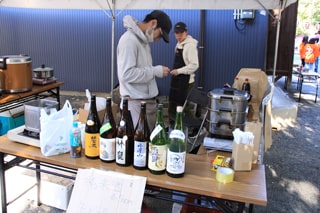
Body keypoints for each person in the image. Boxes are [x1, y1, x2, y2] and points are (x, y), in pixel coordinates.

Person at [117, 10, 172, 130]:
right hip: (134, 105)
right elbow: (126, 74)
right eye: (160, 34)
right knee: (138, 145)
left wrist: (154, 71)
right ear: (153, 23)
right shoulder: (129, 40)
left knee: (148, 145)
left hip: (145, 103)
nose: (158, 39)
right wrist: (155, 71)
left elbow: (142, 70)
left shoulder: (143, 42)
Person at [168, 22, 199, 125]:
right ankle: (173, 127)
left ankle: (192, 130)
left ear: (186, 32)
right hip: (177, 81)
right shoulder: (179, 44)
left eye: (181, 33)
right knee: (173, 105)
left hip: (186, 83)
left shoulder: (190, 46)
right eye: (176, 33)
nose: (178, 35)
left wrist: (179, 71)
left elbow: (194, 65)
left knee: (185, 108)